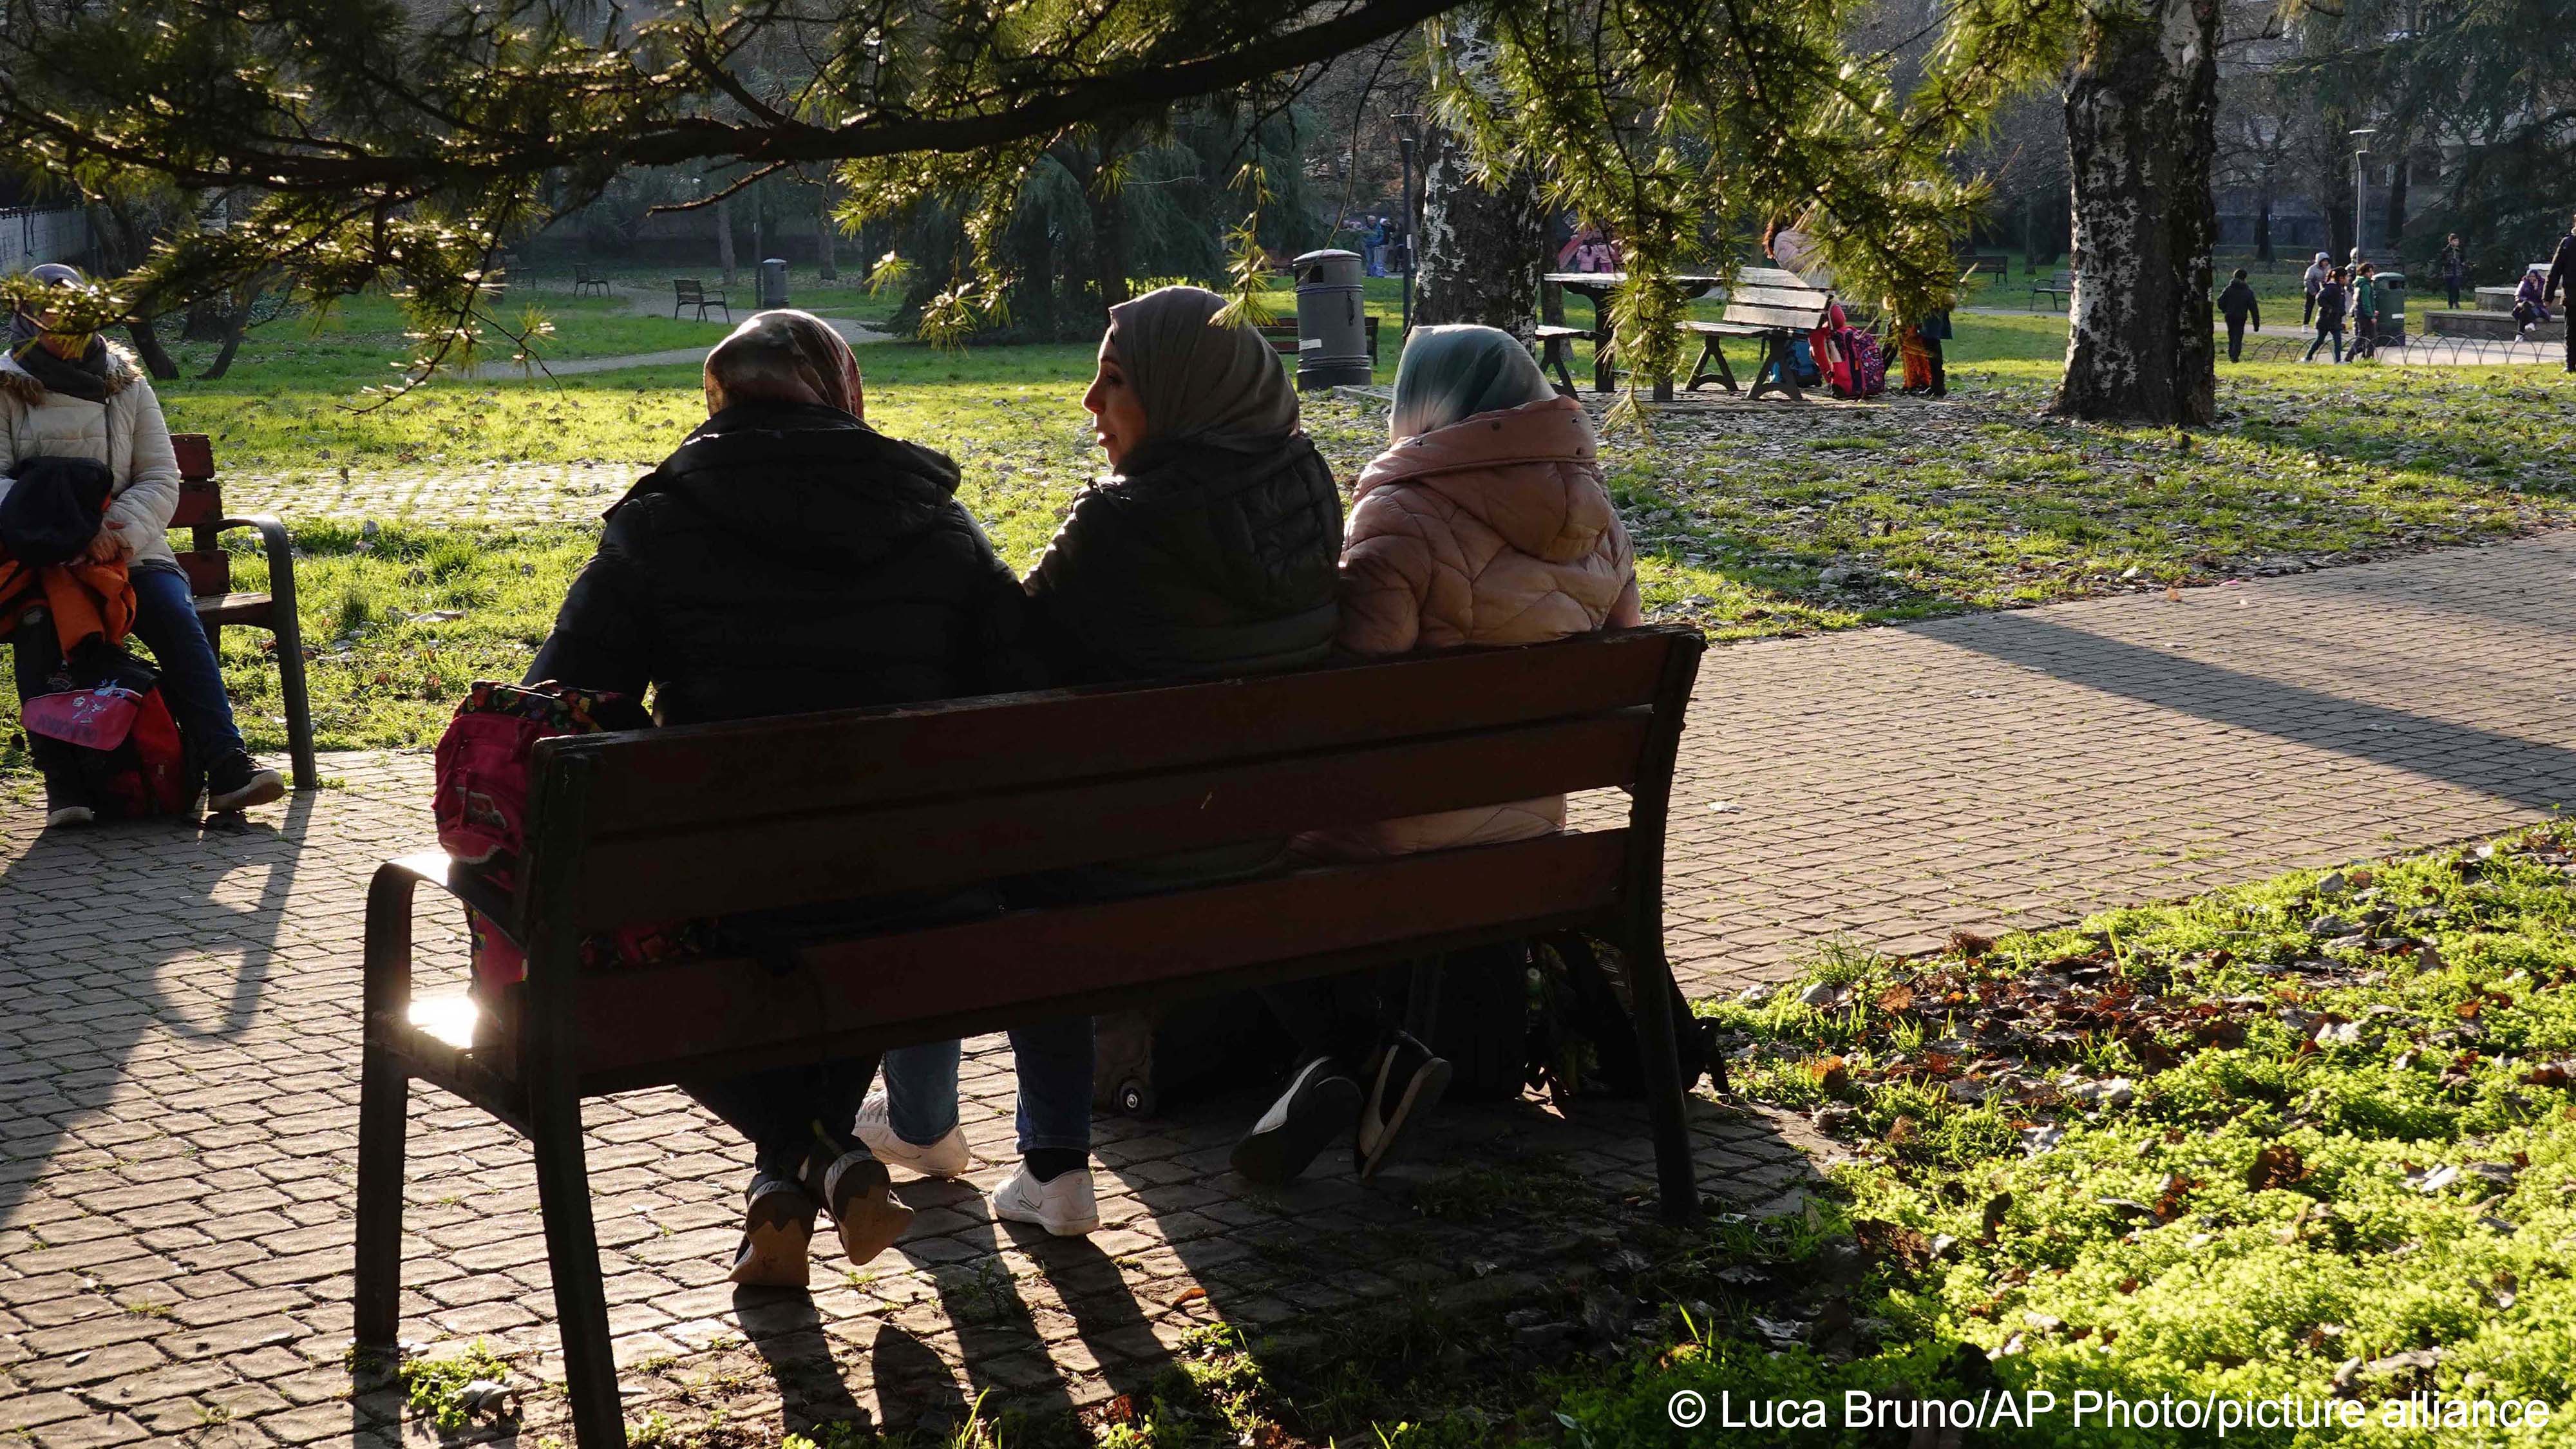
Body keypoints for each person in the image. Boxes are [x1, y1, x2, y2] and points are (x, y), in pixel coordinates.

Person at [526, 308, 1044, 1286]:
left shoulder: (656, 522)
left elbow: (563, 705)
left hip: (732, 900)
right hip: (927, 887)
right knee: (856, 901)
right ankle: (811, 1166)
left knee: (674, 930)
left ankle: (803, 1160)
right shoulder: (933, 517)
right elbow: (1027, 680)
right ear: (843, 393)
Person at [862, 285, 1341, 1223]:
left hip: (1124, 862)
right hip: (1260, 842)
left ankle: (1049, 1162)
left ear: (1180, 392)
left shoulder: (1122, 525)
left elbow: (1004, 653)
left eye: (1112, 382)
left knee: (995, 864)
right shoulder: (1314, 490)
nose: (1090, 406)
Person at [1227, 325, 1642, 1187]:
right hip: (1534, 829)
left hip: (1401, 839)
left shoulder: (1400, 513)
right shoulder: (1599, 517)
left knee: (1233, 863)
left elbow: (1342, 696)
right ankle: (1364, 1064)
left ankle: (1359, 1051)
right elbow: (1623, 678)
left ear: (1425, 404)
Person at [0, 262, 283, 826]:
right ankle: (66, 788)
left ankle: (228, 768)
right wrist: (75, 532)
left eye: (75, 311)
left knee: (174, 612)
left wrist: (117, 535)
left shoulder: (125, 382)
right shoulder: (5, 384)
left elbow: (159, 476)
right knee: (39, 625)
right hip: (39, 558)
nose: (62, 322)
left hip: (130, 552)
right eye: (48, 312)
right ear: (25, 316)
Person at [2546, 212, 2576, 373]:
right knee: (2571, 332)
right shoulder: (2567, 243)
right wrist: (2548, 295)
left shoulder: (2567, 243)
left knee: (2571, 332)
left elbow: (2555, 271)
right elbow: (2555, 270)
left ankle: (2571, 365)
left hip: (2571, 295)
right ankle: (2570, 364)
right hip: (2572, 296)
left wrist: (2548, 296)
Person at [2218, 268, 2261, 363]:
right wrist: (2256, 325)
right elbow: (2254, 309)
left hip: (2229, 315)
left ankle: (2231, 354)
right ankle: (2235, 356)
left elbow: (2220, 302)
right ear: (2245, 278)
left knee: (2231, 335)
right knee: (2238, 336)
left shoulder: (2228, 289)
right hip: (2241, 317)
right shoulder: (2248, 292)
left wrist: (2225, 310)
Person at [2305, 267, 2347, 363]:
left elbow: (2341, 304)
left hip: (2335, 319)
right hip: (2325, 319)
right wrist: (2329, 309)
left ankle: (2338, 360)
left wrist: (2342, 315)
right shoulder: (2331, 287)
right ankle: (2308, 357)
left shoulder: (2341, 289)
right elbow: (2320, 298)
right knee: (2320, 340)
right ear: (2341, 278)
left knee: (2338, 340)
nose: (2348, 279)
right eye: (2347, 277)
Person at [2348, 262, 2378, 361]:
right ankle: (2367, 358)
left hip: (2359, 313)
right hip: (2365, 315)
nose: (2372, 273)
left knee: (2362, 336)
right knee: (2372, 337)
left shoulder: (2359, 284)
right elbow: (2366, 303)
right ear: (2364, 273)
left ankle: (2351, 356)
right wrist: (2371, 316)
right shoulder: (2365, 286)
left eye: (2372, 271)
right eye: (2369, 272)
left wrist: (2373, 311)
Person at [2302, 252, 2329, 327]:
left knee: (2324, 307)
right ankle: (2305, 324)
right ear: (2319, 261)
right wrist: (2313, 291)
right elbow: (2307, 281)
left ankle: (2319, 323)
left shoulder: (2328, 268)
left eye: (2327, 261)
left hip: (2323, 290)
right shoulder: (2312, 269)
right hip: (2312, 290)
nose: (2326, 263)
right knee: (2309, 307)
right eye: (2324, 261)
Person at [2441, 233, 2467, 308]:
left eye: (2457, 241)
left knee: (2456, 287)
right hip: (2449, 273)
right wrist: (2449, 262)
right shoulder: (2445, 251)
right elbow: (2441, 262)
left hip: (2458, 272)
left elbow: (2463, 260)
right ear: (2451, 242)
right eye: (2455, 241)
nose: (2457, 243)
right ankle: (2450, 304)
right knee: (2450, 289)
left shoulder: (2460, 250)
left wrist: (2463, 264)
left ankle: (2456, 301)